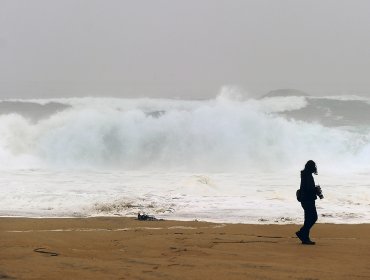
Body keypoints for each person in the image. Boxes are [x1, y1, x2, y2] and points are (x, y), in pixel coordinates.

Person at [296, 160, 319, 245]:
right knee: (313, 217)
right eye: (314, 166)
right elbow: (309, 189)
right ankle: (302, 233)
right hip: (308, 200)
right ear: (311, 167)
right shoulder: (308, 176)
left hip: (305, 200)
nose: (315, 168)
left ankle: (305, 237)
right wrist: (316, 190)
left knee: (308, 219)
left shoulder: (305, 175)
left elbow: (306, 188)